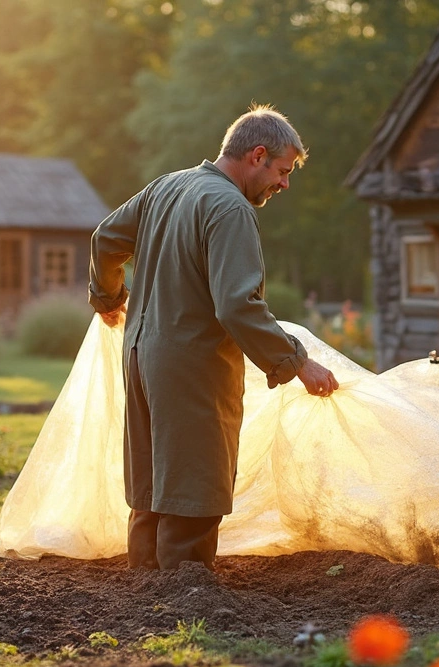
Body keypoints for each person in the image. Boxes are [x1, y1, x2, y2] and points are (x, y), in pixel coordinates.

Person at [87, 105, 339, 571]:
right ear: (257, 155)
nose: (284, 184)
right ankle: (184, 597)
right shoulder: (229, 208)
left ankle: (145, 591)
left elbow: (105, 239)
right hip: (191, 366)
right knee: (192, 483)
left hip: (140, 356)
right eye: (282, 172)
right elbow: (237, 305)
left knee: (151, 482)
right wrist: (297, 362)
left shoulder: (166, 187)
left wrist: (108, 298)